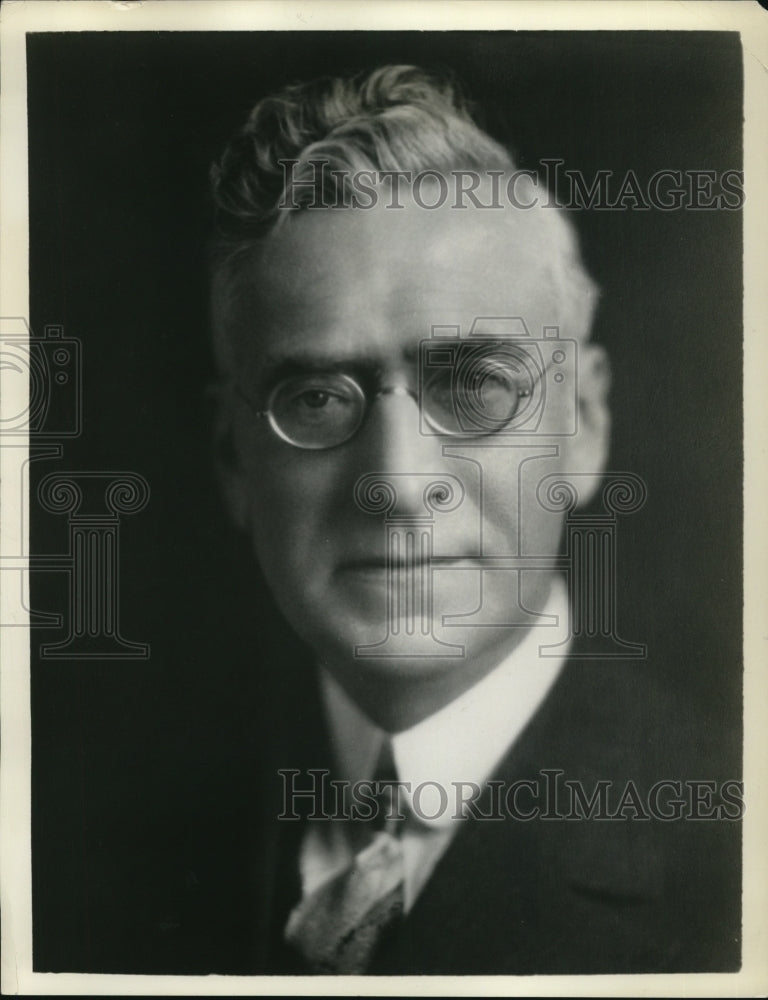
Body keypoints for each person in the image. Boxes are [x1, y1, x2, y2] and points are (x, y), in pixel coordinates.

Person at [59, 65, 740, 977]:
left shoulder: (734, 857)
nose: (397, 482)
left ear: (582, 423)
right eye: (314, 399)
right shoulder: (82, 855)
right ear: (232, 459)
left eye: (473, 385)